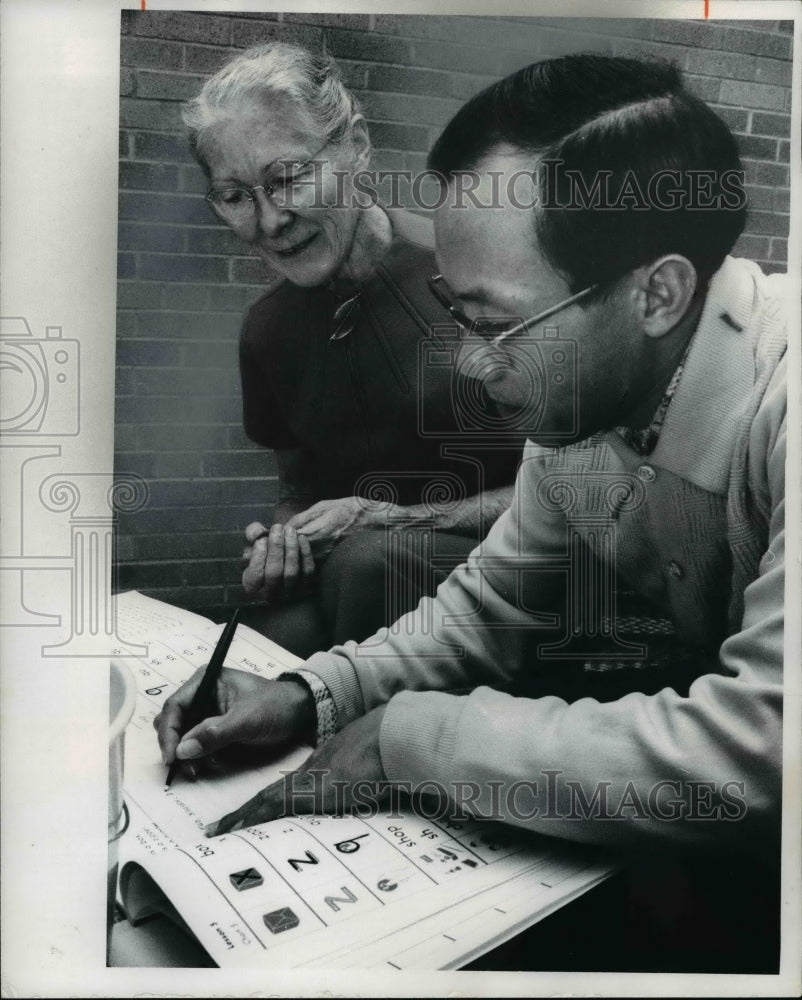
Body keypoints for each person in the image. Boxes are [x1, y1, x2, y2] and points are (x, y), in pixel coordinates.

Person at [158, 55, 789, 968]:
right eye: (456, 311)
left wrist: (412, 742)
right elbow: (485, 609)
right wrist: (309, 695)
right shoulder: (577, 402)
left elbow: (763, 755)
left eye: (496, 323)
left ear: (658, 294)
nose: (468, 361)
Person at [181, 42, 524, 657]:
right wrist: (284, 544)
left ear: (356, 147)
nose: (269, 222)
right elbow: (300, 489)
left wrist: (386, 521)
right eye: (234, 196)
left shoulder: (478, 276)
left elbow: (577, 486)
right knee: (240, 653)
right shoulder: (265, 330)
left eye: (287, 178)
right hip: (366, 586)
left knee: (370, 566)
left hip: (522, 573)